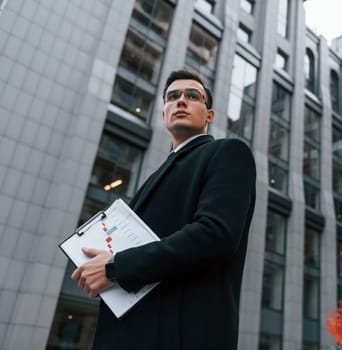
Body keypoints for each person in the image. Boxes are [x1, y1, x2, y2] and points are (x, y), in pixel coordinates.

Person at [71, 69, 257, 350]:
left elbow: (215, 234)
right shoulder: (155, 176)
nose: (181, 100)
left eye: (192, 96)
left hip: (182, 336)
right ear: (163, 113)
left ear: (209, 115)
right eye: (173, 96)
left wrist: (115, 267)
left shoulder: (228, 152)